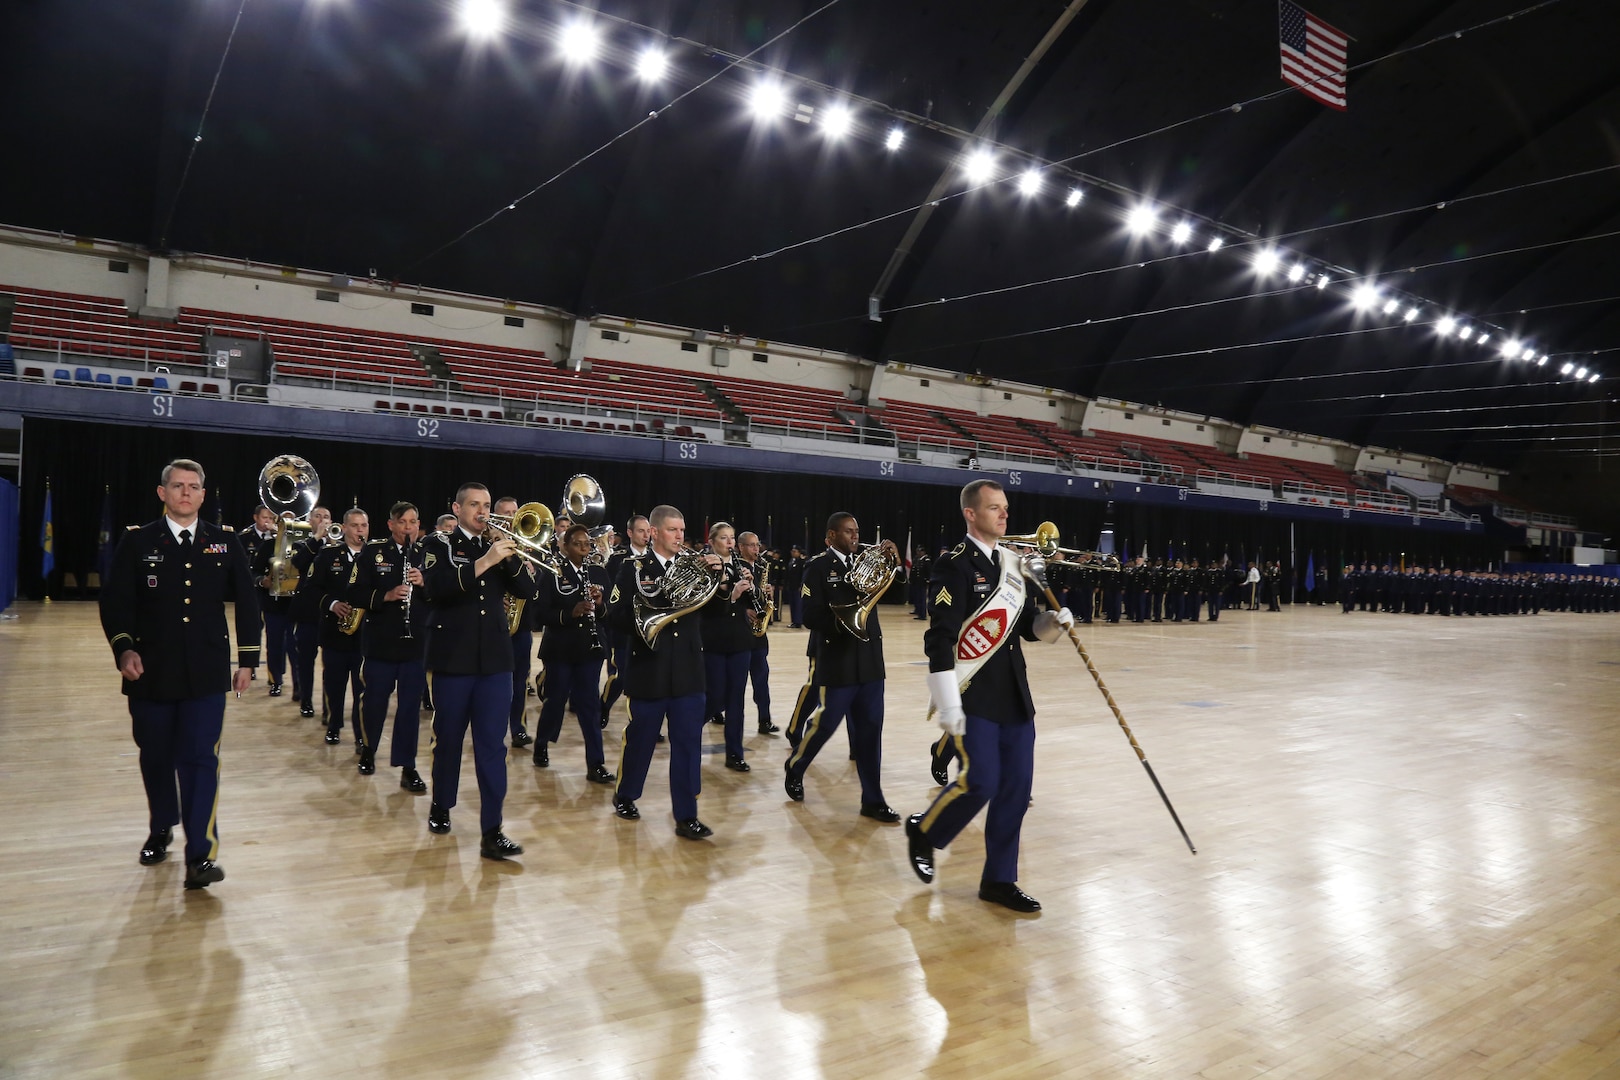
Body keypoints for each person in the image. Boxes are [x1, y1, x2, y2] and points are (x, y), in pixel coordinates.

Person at [905, 479, 1073, 913]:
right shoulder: (953, 564)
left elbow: (1025, 630)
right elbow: (939, 638)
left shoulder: (1015, 565)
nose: (1004, 514)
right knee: (981, 781)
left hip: (1014, 693)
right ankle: (925, 832)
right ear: (970, 513)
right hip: (972, 691)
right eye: (994, 508)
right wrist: (946, 702)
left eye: (1005, 507)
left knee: (1016, 789)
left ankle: (999, 879)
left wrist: (1053, 624)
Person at [99, 458, 260, 890]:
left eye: (193, 487)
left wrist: (247, 659)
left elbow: (247, 601)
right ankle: (161, 825)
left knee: (201, 760)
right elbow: (116, 602)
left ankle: (201, 855)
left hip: (206, 674)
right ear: (162, 493)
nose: (185, 493)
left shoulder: (224, 543)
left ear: (203, 495)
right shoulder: (137, 542)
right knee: (155, 756)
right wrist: (123, 649)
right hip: (149, 672)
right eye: (177, 486)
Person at [419, 482, 538, 858]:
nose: (483, 511)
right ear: (457, 508)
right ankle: (442, 804)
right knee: (449, 739)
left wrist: (512, 557)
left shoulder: (501, 546)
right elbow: (436, 589)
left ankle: (493, 829)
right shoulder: (438, 544)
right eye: (475, 505)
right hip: (453, 659)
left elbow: (527, 591)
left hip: (495, 662)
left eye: (487, 505)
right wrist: (486, 560)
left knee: (492, 746)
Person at [607, 504, 722, 839]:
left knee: (688, 744)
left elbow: (715, 612)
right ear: (655, 532)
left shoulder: (697, 567)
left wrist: (721, 577)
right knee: (641, 739)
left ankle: (687, 815)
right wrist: (646, 617)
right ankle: (626, 794)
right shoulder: (633, 568)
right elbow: (614, 616)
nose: (679, 536)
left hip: (688, 669)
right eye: (673, 530)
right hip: (649, 668)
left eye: (682, 530)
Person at [783, 512, 900, 822]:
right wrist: (843, 622)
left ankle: (872, 799)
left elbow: (899, 583)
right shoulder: (818, 568)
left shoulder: (868, 558)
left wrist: (896, 561)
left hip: (871, 660)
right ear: (832, 536)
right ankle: (796, 765)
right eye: (848, 532)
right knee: (825, 725)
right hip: (838, 660)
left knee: (871, 730)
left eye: (857, 531)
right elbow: (809, 615)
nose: (855, 536)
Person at [347, 501, 428, 790]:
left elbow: (442, 595)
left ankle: (408, 765)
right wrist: (387, 595)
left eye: (414, 522)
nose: (409, 528)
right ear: (391, 525)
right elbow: (354, 592)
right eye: (403, 522)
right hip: (381, 643)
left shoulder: (427, 555)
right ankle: (368, 750)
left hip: (415, 644)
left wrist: (424, 584)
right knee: (374, 702)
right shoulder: (372, 552)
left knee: (409, 708)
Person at [532, 523, 612, 781]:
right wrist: (570, 613)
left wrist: (598, 605)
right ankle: (542, 742)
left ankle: (595, 764)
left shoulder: (598, 572)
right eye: (577, 544)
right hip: (560, 649)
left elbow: (607, 612)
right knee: (555, 701)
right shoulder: (552, 572)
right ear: (565, 547)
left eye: (587, 544)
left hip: (590, 648)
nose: (583, 548)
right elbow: (540, 613)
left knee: (589, 705)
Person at [701, 522, 757, 772]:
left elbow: (748, 605)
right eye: (724, 538)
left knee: (736, 699)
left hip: (740, 639)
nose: (730, 542)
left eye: (732, 537)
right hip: (714, 638)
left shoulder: (742, 565)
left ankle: (735, 752)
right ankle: (689, 729)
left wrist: (755, 593)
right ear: (712, 541)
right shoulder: (704, 566)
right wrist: (732, 596)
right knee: (715, 696)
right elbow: (704, 604)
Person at [313, 507, 369, 748]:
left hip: (365, 638)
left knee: (362, 690)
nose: (360, 530)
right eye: (355, 526)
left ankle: (361, 735)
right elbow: (312, 588)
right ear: (344, 528)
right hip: (335, 634)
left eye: (364, 526)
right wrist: (333, 604)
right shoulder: (328, 556)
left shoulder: (375, 557)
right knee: (334, 685)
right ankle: (334, 725)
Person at [491, 496, 537, 749]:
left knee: (520, 680)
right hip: (494, 626)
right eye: (506, 513)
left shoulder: (529, 545)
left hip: (522, 624)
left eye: (515, 512)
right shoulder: (489, 546)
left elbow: (538, 585)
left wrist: (533, 571)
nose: (511, 518)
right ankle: (494, 728)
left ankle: (518, 728)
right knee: (496, 683)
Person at [600, 513, 651, 725]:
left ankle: (644, 721)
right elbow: (613, 597)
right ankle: (603, 706)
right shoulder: (617, 560)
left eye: (648, 531)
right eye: (641, 530)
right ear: (630, 533)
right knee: (621, 677)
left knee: (646, 678)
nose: (646, 535)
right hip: (623, 630)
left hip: (648, 631)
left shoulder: (655, 558)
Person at [242, 504, 294, 697]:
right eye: (285, 522)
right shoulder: (267, 546)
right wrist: (262, 581)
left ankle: (299, 685)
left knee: (294, 647)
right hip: (273, 603)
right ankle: (275, 681)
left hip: (295, 605)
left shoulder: (302, 546)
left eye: (292, 522)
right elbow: (253, 571)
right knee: (274, 643)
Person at [288, 505, 332, 719]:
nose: (323, 520)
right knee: (305, 660)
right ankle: (306, 700)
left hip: (331, 612)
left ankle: (328, 708)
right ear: (310, 521)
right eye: (318, 516)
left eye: (326, 517)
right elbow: (298, 563)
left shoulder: (337, 545)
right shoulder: (301, 544)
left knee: (331, 664)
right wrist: (317, 538)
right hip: (307, 613)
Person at [737, 531, 778, 735]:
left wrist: (767, 595)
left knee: (762, 678)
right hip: (739, 632)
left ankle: (765, 719)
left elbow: (762, 597)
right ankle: (717, 712)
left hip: (759, 634)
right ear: (741, 547)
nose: (756, 549)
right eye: (751, 545)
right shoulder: (734, 566)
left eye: (757, 545)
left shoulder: (762, 567)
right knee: (735, 682)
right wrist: (743, 611)